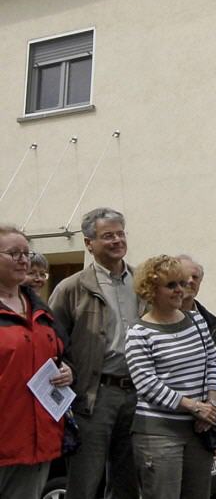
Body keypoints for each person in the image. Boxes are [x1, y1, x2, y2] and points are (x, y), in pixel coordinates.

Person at [49, 207, 146, 499]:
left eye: (120, 233)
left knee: (129, 481)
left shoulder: (143, 282)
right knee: (85, 480)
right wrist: (64, 367)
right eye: (108, 236)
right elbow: (51, 340)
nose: (117, 240)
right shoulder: (72, 287)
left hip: (139, 394)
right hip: (93, 396)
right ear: (89, 243)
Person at [125, 255, 216, 499]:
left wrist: (211, 406)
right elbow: (146, 383)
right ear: (151, 290)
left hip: (199, 431)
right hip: (159, 434)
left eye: (181, 283)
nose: (180, 290)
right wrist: (192, 406)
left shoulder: (197, 321)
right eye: (171, 285)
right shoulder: (139, 332)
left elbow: (212, 361)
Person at [0, 226, 73, 498]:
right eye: (13, 253)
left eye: (25, 253)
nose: (23, 260)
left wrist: (67, 372)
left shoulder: (42, 311)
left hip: (36, 441)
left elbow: (62, 355)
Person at [177, 255, 216, 341]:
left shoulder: (212, 323)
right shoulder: (152, 317)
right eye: (185, 276)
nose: (191, 280)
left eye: (195, 277)